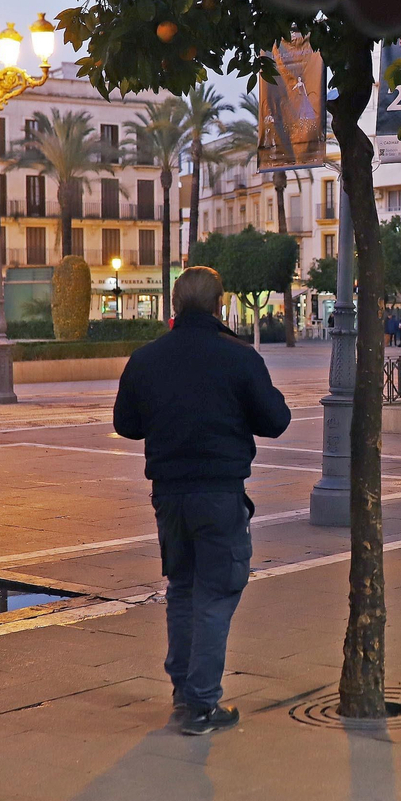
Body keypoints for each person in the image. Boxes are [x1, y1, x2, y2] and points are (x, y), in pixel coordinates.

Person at [113, 266, 291, 735]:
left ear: (174, 306)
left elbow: (126, 424)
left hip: (169, 494)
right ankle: (200, 704)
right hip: (219, 491)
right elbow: (275, 420)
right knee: (217, 590)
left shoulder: (147, 358)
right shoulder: (237, 356)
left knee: (184, 587)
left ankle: (183, 692)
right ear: (219, 305)